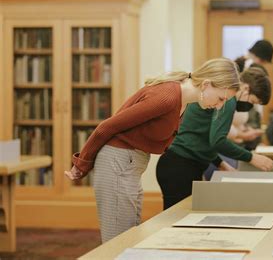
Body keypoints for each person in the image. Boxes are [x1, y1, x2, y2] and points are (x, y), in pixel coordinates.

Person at [64, 58, 241, 243]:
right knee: (117, 241)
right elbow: (107, 127)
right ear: (206, 84)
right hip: (117, 162)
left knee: (129, 238)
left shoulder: (182, 100)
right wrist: (82, 164)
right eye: (221, 99)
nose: (220, 106)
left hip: (130, 164)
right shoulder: (168, 97)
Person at [156, 67, 273, 210]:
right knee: (175, 223)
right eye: (253, 101)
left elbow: (204, 138)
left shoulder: (222, 97)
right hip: (180, 167)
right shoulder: (229, 100)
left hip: (178, 165)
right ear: (246, 88)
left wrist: (221, 164)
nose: (251, 106)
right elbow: (218, 141)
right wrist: (251, 158)